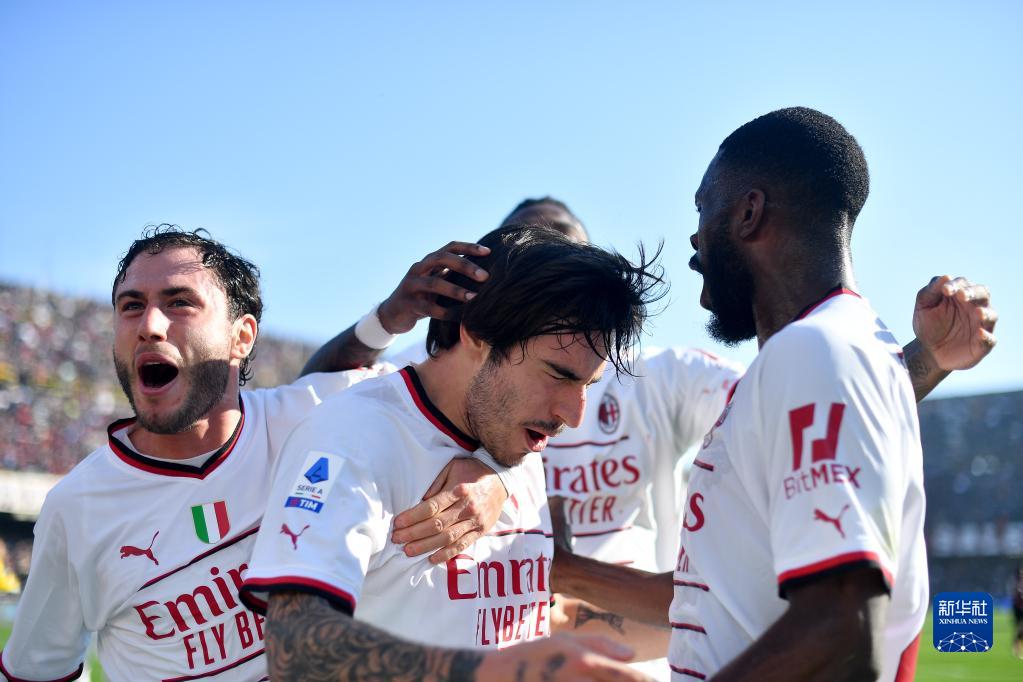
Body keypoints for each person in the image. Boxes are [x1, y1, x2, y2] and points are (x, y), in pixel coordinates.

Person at [552, 107, 999, 682]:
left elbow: (840, 628)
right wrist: (564, 570)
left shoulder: (816, 351)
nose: (694, 237)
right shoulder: (824, 351)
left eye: (702, 209)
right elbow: (710, 597)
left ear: (748, 213)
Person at [0, 227, 514, 682]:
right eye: (131, 305)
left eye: (179, 303)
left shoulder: (321, 418)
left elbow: (492, 403)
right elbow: (36, 673)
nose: (149, 325)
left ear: (241, 336)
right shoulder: (76, 508)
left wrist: (495, 477)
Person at [239, 225, 666, 680]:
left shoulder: (515, 441)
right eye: (558, 375)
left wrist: (709, 625)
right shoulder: (351, 436)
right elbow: (294, 649)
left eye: (588, 385)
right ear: (477, 334)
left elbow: (532, 616)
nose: (573, 415)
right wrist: (490, 672)